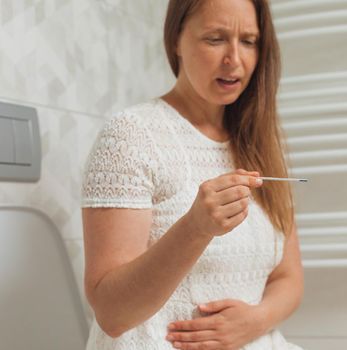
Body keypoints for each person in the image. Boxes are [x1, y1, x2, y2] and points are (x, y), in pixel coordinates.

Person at [80, 0, 304, 348]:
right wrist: (196, 228)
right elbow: (112, 313)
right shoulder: (131, 135)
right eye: (215, 39)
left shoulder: (259, 143)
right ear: (175, 40)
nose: (234, 59)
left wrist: (254, 322)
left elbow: (288, 278)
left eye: (248, 41)